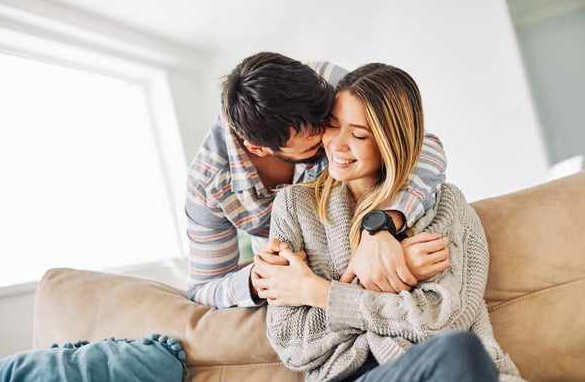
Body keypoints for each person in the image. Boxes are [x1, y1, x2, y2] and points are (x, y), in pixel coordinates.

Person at [256, 64, 530, 382]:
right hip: (349, 381)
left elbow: (443, 320)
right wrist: (394, 283)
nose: (337, 145)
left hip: (442, 372)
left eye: (359, 134)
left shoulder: (445, 206)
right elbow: (292, 343)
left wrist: (317, 291)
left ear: (391, 141)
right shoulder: (294, 207)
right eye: (331, 126)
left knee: (459, 351)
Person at [185, 52, 450, 308]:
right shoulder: (208, 185)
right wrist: (259, 279)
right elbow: (202, 288)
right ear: (258, 149)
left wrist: (379, 225)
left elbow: (417, 143)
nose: (331, 142)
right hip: (299, 284)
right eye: (314, 143)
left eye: (330, 123)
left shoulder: (320, 83)